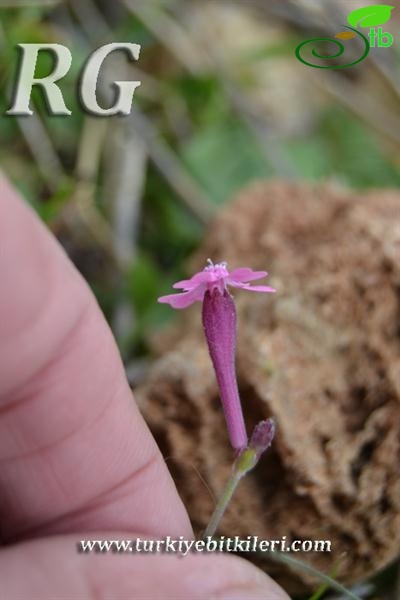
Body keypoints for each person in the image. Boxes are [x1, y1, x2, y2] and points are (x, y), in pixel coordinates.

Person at [0, 176, 289, 600]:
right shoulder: (213, 294)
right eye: (214, 282)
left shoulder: (220, 296)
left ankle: (245, 447)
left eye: (219, 282)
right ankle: (244, 446)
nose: (215, 277)